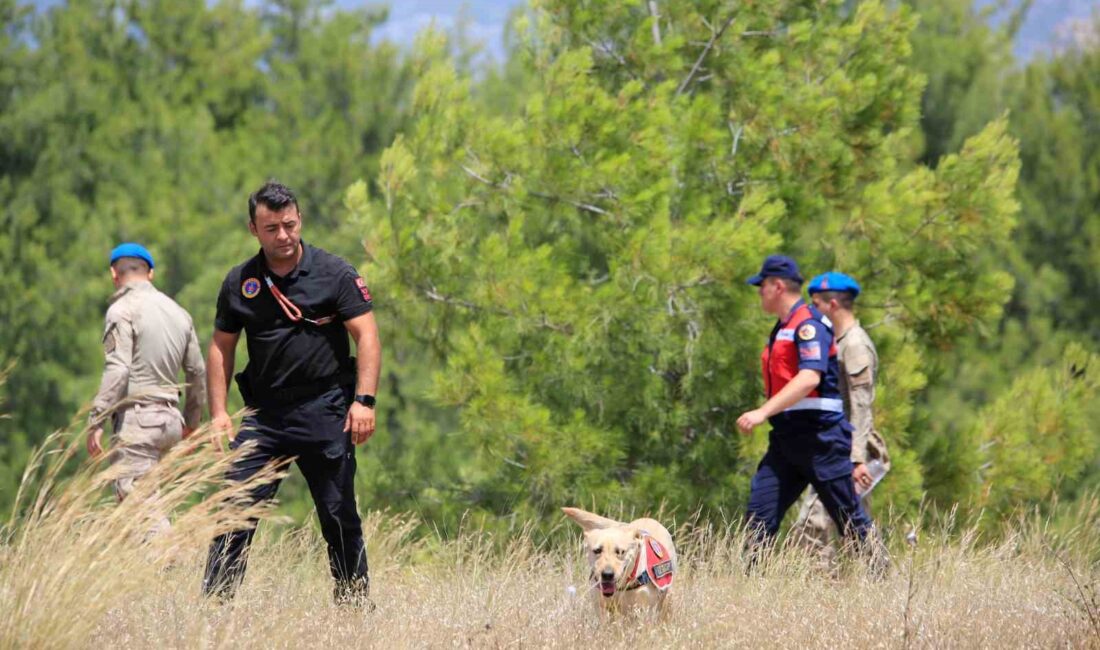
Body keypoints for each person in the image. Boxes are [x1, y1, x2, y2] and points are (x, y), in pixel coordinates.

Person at [202, 181, 381, 606]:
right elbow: (220, 346)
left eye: (289, 224)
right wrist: (218, 412)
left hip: (326, 409)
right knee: (234, 510)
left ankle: (354, 607)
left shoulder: (335, 273)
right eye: (271, 228)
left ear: (300, 220)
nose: (283, 235)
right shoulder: (239, 282)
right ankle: (214, 608)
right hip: (265, 417)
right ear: (253, 229)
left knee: (338, 515)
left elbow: (367, 337)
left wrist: (364, 400)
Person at [736, 255, 879, 566]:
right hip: (786, 439)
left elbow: (809, 377)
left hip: (821, 440)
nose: (759, 292)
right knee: (759, 515)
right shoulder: (783, 327)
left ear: (777, 286)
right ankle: (747, 587)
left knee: (849, 520)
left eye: (762, 286)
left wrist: (762, 412)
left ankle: (881, 575)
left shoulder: (809, 326)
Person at [87, 242, 206, 535]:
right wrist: (191, 422)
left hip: (139, 421)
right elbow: (197, 371)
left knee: (139, 509)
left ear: (114, 274)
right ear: (150, 273)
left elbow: (118, 368)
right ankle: (152, 577)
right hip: (170, 422)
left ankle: (174, 564)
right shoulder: (179, 313)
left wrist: (96, 419)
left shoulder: (121, 311)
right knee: (148, 505)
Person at [791, 272, 891, 566]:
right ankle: (874, 584)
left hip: (847, 451)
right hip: (836, 448)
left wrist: (856, 458)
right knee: (852, 527)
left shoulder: (855, 345)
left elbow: (861, 408)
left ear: (832, 304)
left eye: (816, 304)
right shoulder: (838, 341)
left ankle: (821, 589)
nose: (810, 311)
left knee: (814, 523)